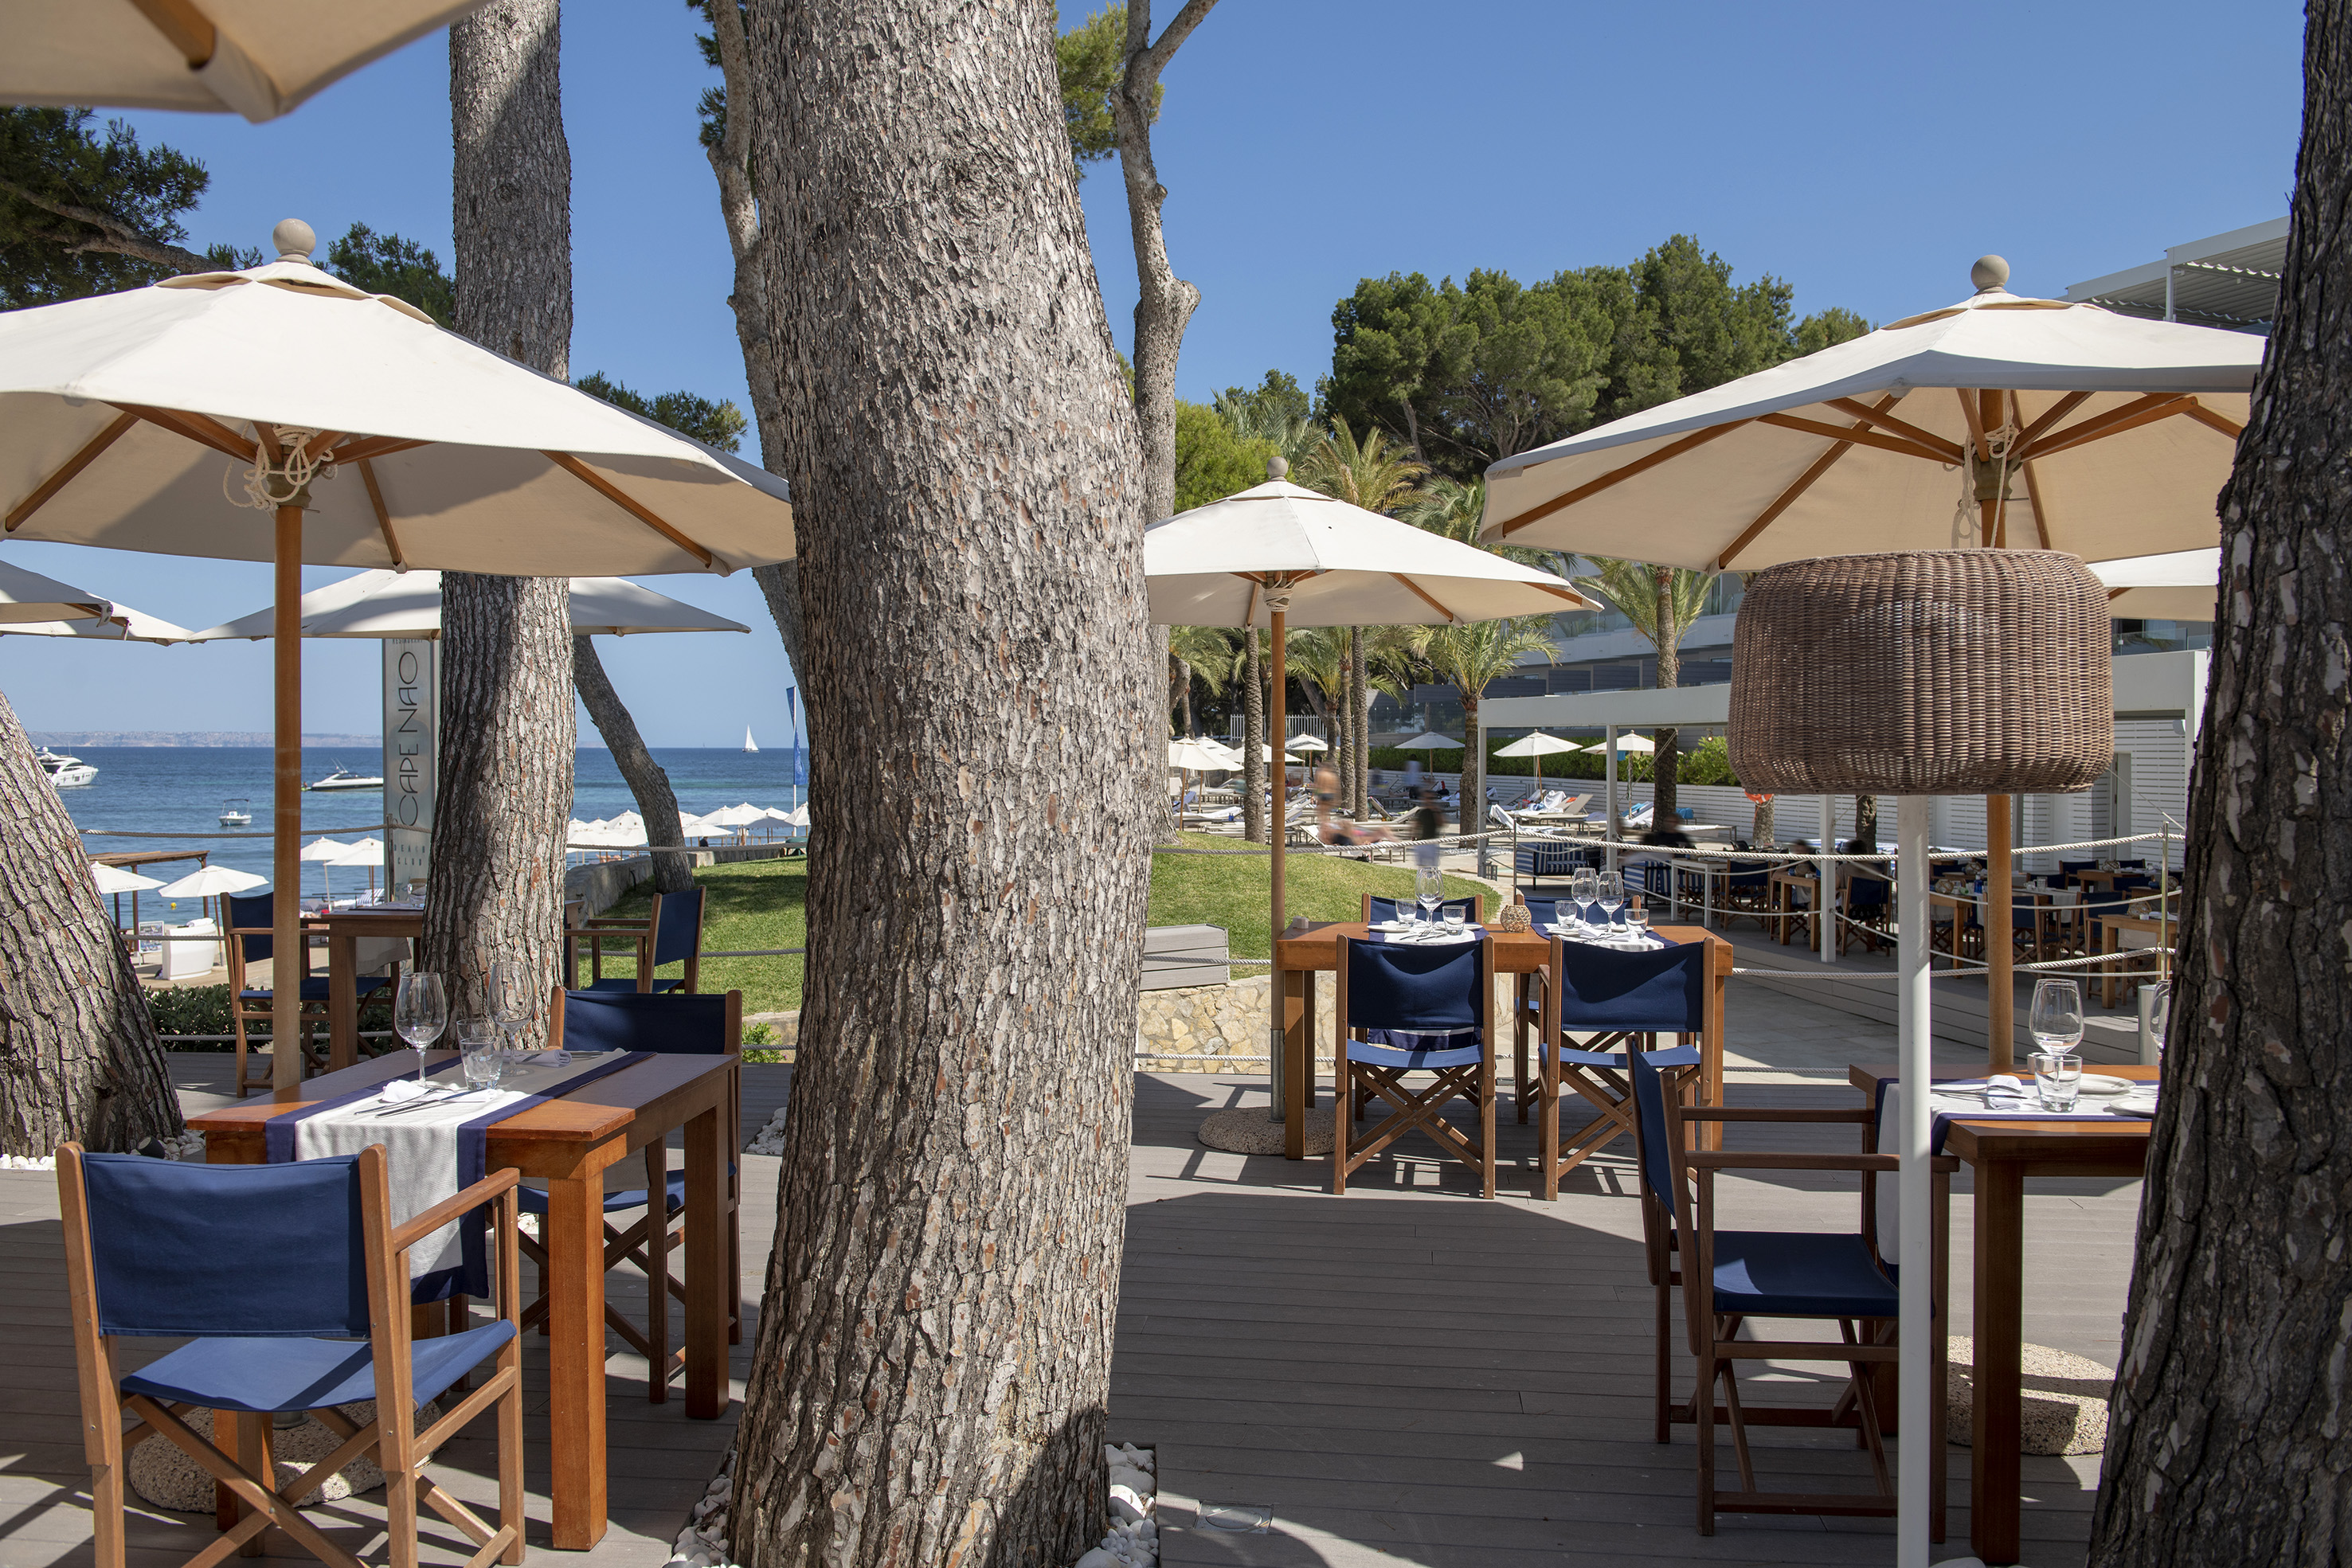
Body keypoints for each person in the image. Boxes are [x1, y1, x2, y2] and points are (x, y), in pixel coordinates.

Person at [1313, 766, 1392, 847]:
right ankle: (1376, 835)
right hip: (1345, 836)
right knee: (1350, 829)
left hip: (1343, 835)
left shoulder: (1325, 831)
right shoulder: (1329, 776)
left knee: (1349, 828)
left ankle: (1376, 835)